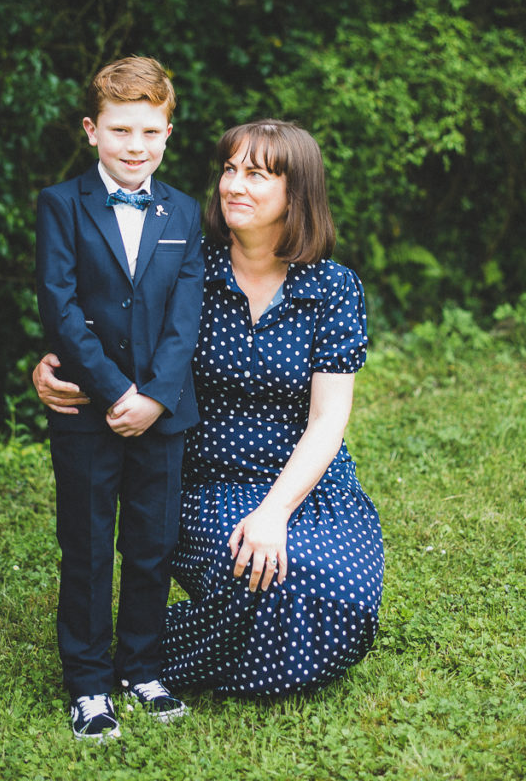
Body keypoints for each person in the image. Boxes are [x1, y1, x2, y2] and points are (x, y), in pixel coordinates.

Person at [34, 119, 383, 699]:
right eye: (229, 169)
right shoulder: (189, 262)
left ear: (296, 193)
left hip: (306, 481)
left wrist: (275, 513)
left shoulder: (334, 287)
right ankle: (143, 657)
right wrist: (51, 365)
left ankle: (153, 649)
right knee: (263, 577)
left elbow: (328, 420)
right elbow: (110, 320)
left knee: (342, 588)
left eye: (256, 174)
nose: (233, 185)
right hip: (204, 481)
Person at [35, 56, 204, 740]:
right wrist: (114, 392)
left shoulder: (185, 212)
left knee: (151, 544)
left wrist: (155, 397)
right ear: (91, 129)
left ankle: (141, 667)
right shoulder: (61, 205)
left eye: (150, 131)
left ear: (169, 132)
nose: (135, 146)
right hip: (87, 411)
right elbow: (60, 306)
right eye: (120, 129)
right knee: (86, 543)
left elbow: (184, 315)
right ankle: (87, 682)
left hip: (163, 417)